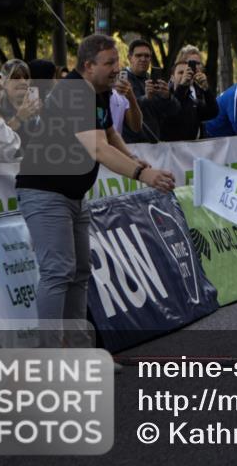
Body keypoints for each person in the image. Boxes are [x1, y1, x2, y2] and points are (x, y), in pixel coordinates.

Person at [15, 34, 175, 328]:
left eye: (118, 61)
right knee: (58, 272)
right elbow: (98, 148)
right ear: (88, 65)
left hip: (73, 195)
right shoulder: (75, 92)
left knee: (80, 272)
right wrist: (143, 174)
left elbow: (111, 133)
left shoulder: (98, 90)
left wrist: (132, 157)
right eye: (110, 62)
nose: (118, 68)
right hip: (45, 192)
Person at [122, 38, 181, 143]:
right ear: (129, 58)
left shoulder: (153, 80)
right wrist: (146, 98)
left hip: (154, 144)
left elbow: (174, 111)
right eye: (138, 55)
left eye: (147, 56)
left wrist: (167, 97)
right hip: (131, 144)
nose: (143, 59)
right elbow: (122, 109)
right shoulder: (122, 79)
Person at [162, 60, 219, 141]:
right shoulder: (164, 97)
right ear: (172, 78)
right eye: (181, 72)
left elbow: (213, 112)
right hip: (170, 150)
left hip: (191, 150)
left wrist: (206, 90)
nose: (185, 75)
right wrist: (182, 86)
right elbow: (172, 111)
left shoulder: (192, 101)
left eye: (188, 72)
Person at [0, 59, 42, 143]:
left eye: (26, 77)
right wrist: (19, 118)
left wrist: (43, 118)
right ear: (4, 83)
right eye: (16, 78)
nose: (23, 81)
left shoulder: (36, 107)